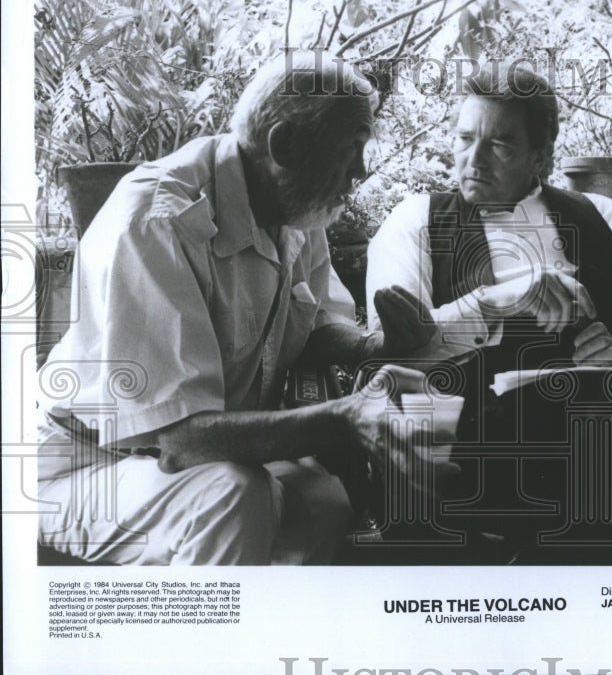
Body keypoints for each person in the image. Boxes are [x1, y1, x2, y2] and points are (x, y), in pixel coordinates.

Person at [36, 53, 438, 565]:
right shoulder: (160, 222)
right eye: (351, 149)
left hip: (187, 454)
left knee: (325, 503)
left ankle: (257, 615)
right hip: (81, 466)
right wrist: (344, 418)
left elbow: (315, 320)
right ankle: (216, 621)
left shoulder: (294, 205)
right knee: (233, 497)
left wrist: (370, 345)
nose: (360, 170)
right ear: (286, 146)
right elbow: (180, 439)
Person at [366, 63, 612, 563]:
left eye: (500, 145)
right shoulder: (415, 221)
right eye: (464, 139)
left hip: (607, 432)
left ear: (540, 157)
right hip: (473, 439)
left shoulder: (603, 217)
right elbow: (393, 348)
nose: (473, 160)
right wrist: (494, 302)